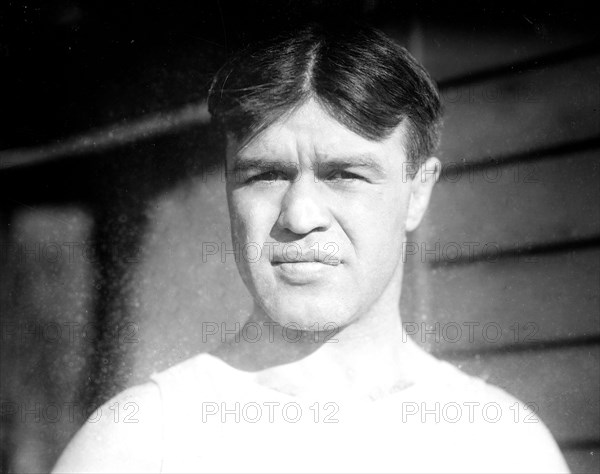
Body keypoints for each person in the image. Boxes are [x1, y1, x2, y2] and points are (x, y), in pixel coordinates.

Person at [53, 22, 569, 473]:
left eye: (344, 174)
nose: (300, 216)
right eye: (265, 175)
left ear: (418, 191)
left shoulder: (503, 446)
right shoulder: (142, 444)